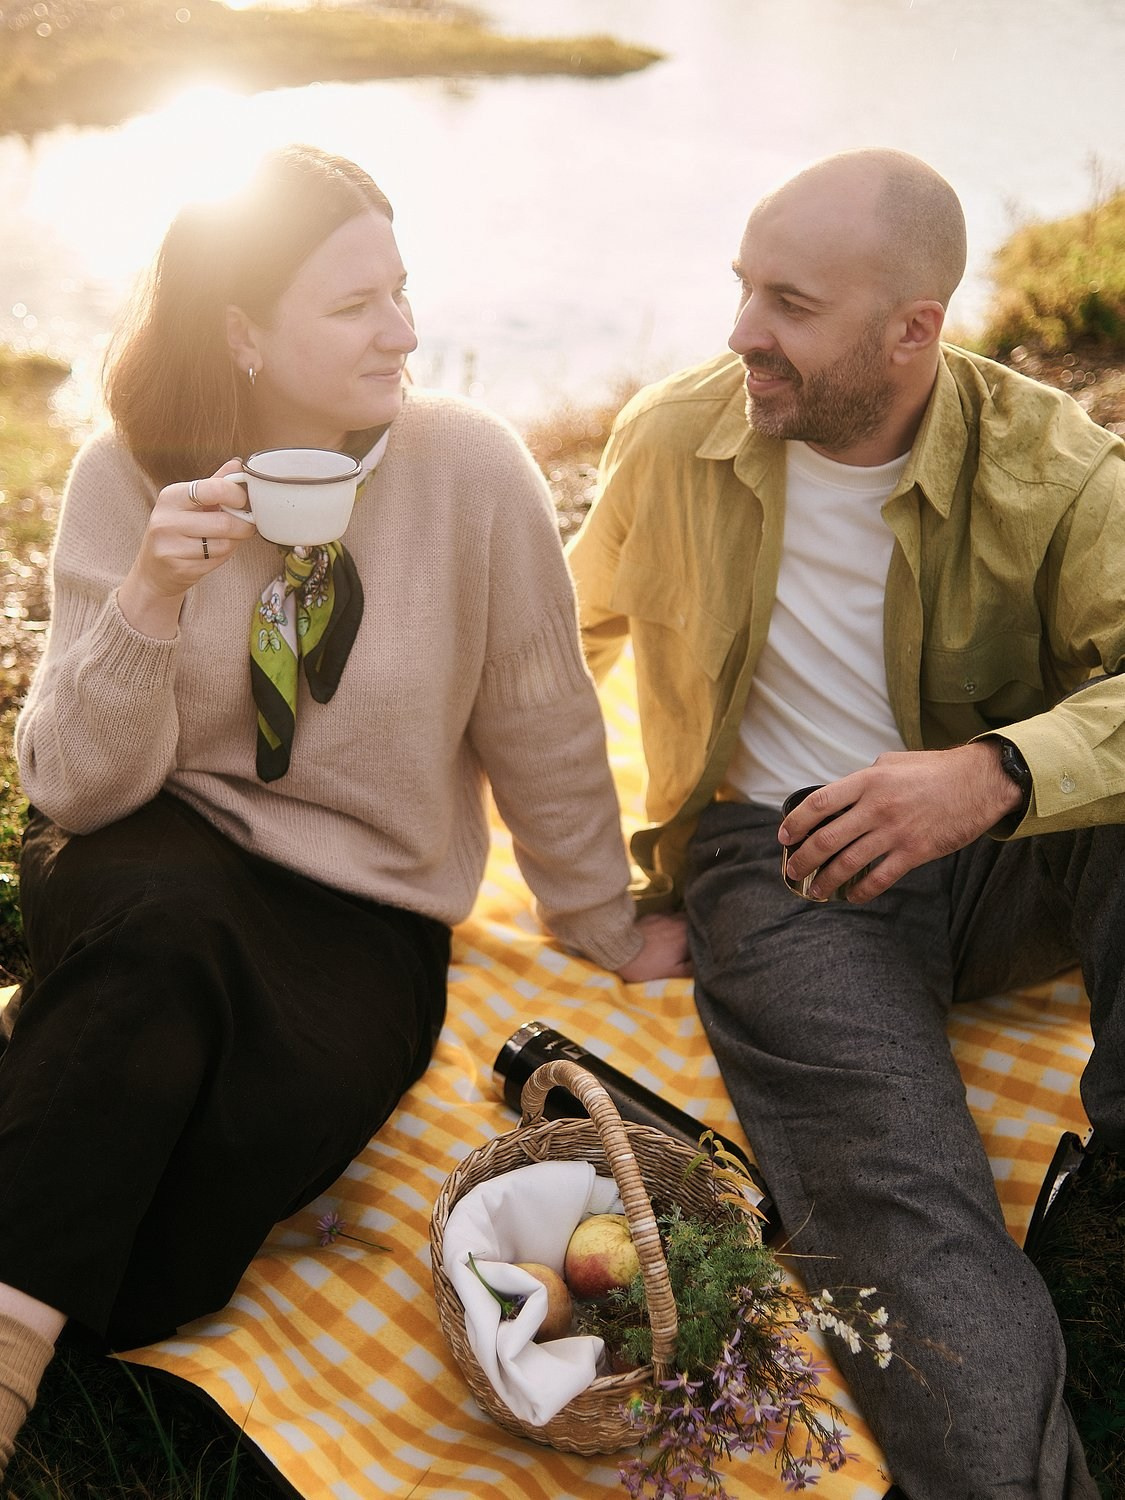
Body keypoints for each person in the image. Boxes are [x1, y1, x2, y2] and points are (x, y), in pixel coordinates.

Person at [0, 143, 689, 1475]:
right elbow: (73, 787)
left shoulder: (469, 472)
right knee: (162, 949)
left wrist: (599, 915)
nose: (405, 332)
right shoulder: (123, 476)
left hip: (360, 908)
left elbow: (544, 719)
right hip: (155, 840)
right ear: (244, 333)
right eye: (354, 306)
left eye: (403, 290)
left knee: (158, 1279)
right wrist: (147, 600)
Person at [567, 147, 1125, 1499]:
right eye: (744, 288)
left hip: (1012, 847)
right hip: (790, 868)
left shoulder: (1052, 468)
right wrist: (596, 890)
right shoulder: (671, 434)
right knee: (900, 1222)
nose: (742, 331)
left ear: (911, 331)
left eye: (791, 304)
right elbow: (542, 648)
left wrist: (993, 769)